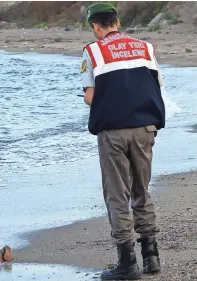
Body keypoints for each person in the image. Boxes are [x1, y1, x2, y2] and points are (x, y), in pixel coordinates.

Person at [81, 3, 165, 280]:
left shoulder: (93, 50)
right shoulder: (146, 47)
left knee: (117, 194)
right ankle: (151, 257)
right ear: (117, 21)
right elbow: (157, 85)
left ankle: (127, 262)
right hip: (145, 128)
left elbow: (91, 98)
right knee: (142, 189)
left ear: (96, 26)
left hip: (113, 131)